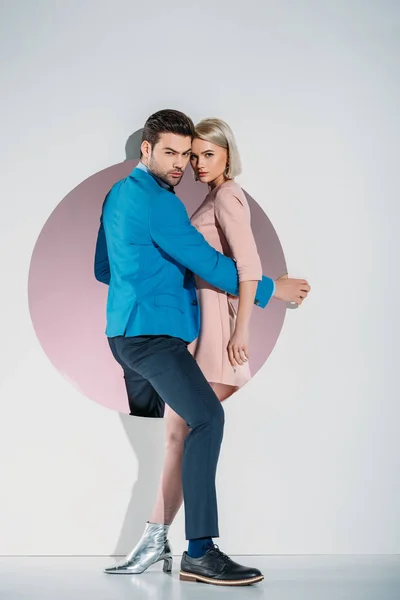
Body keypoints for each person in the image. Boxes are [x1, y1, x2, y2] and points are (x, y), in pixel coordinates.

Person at [94, 109, 310, 586]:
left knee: (180, 431)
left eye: (187, 154)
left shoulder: (116, 195)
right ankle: (200, 551)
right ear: (146, 149)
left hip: (123, 332)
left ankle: (156, 541)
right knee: (207, 418)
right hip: (153, 336)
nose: (180, 164)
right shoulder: (163, 203)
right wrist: (272, 288)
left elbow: (103, 269)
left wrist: (145, 273)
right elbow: (209, 263)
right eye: (170, 153)